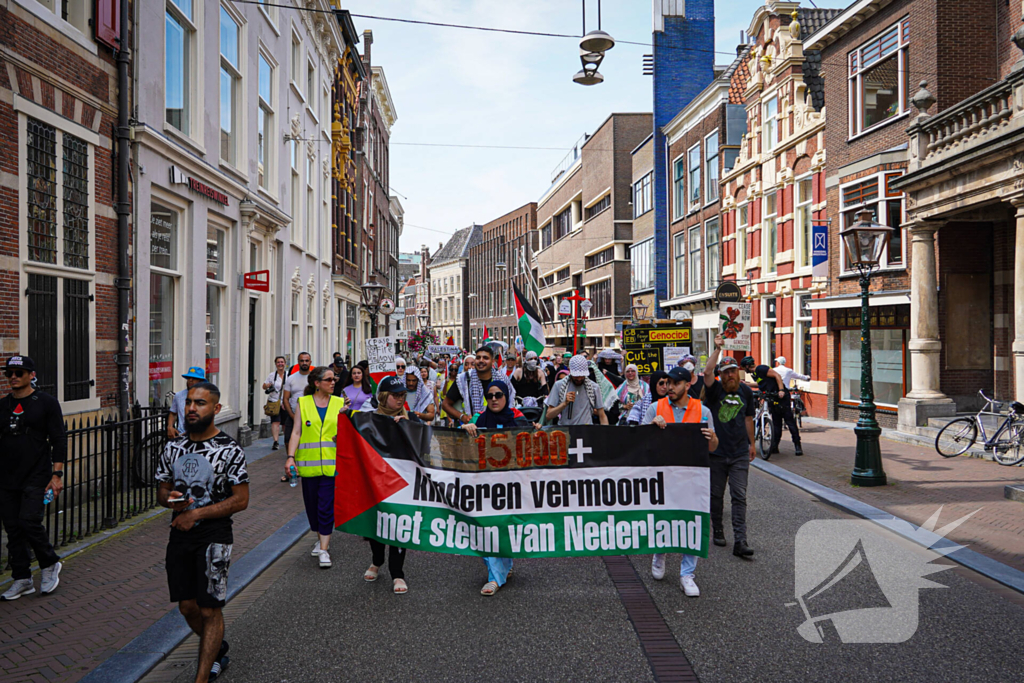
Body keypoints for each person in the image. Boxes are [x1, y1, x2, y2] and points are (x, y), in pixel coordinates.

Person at [156, 382, 249, 683]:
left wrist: (197, 513)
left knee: (210, 609)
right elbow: (162, 490)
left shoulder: (230, 449)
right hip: (180, 532)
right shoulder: (173, 447)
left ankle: (202, 677)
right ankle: (217, 644)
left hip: (215, 534)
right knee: (187, 607)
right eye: (189, 403)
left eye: (200, 403)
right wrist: (171, 500)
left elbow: (241, 499)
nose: (192, 408)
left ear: (216, 409)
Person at [643, 366, 717, 596]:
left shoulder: (703, 411)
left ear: (688, 384)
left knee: (692, 521)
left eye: (675, 383)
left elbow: (712, 447)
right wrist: (651, 428)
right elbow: (640, 442)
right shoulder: (656, 407)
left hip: (691, 475)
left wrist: (713, 438)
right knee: (662, 516)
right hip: (662, 473)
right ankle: (659, 553)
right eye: (666, 383)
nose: (669, 388)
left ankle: (687, 574)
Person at [0, 356, 67, 601]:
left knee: (29, 521)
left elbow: (59, 439)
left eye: (19, 372)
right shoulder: (3, 405)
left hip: (37, 474)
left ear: (32, 375)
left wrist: (57, 474)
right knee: (13, 528)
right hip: (7, 477)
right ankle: (22, 579)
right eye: (9, 373)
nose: (13, 377)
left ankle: (49, 564)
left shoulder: (46, 403)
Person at [462, 379, 530, 596]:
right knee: (484, 527)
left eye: (498, 395)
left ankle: (499, 573)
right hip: (483, 483)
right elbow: (456, 437)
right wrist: (465, 427)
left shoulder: (518, 418)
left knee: (502, 526)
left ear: (506, 396)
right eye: (489, 395)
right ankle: (497, 574)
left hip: (510, 484)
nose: (493, 399)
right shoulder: (479, 418)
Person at [285, 366, 344, 569]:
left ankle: (324, 550)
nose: (333, 382)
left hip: (332, 465)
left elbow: (346, 432)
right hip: (308, 465)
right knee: (312, 507)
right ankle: (321, 538)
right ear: (317, 383)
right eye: (328, 379)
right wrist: (290, 457)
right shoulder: (303, 403)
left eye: (334, 379)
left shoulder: (340, 403)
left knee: (325, 506)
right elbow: (296, 433)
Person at [705, 337, 756, 558]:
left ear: (738, 372)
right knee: (716, 495)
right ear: (721, 374)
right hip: (716, 453)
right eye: (725, 372)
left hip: (739, 454)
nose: (730, 375)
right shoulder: (716, 390)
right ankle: (717, 529)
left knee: (739, 496)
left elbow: (748, 419)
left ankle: (740, 540)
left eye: (733, 371)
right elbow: (706, 374)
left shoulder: (746, 392)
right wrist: (717, 349)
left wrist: (752, 444)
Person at [367, 375, 413, 594]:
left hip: (401, 484)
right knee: (376, 526)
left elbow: (424, 446)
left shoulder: (410, 418)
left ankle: (398, 574)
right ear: (384, 397)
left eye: (403, 395)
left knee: (398, 527)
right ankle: (377, 560)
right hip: (376, 483)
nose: (400, 399)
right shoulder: (368, 420)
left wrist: (408, 429)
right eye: (395, 395)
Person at [742, 356, 802, 456]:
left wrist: (781, 390)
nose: (744, 370)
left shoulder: (761, 368)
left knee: (790, 422)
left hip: (781, 397)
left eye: (744, 367)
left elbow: (777, 375)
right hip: (772, 398)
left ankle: (797, 445)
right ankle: (774, 446)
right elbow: (761, 384)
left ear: (747, 366)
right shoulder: (756, 374)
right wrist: (746, 384)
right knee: (776, 423)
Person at [442, 347, 516, 425]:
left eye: (485, 358)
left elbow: (510, 405)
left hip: (499, 428)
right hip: (472, 430)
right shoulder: (463, 379)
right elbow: (445, 404)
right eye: (478, 358)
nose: (481, 360)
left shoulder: (503, 379)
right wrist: (462, 417)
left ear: (492, 361)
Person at [545, 355, 608, 426]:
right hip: (566, 431)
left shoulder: (594, 387)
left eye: (582, 376)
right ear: (570, 371)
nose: (579, 379)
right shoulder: (559, 385)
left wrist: (605, 434)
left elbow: (602, 415)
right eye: (576, 376)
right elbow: (549, 415)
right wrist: (564, 404)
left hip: (586, 431)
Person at [280, 352, 312, 449]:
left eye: (306, 361)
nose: (304, 363)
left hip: (310, 415)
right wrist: (292, 415)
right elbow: (286, 398)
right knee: (288, 441)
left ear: (310, 362)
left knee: (307, 441)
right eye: (302, 361)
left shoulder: (314, 378)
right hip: (293, 414)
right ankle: (291, 459)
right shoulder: (291, 378)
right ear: (298, 362)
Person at [168, 367, 207, 439]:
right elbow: (173, 413)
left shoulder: (206, 396)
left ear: (201, 381)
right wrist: (170, 427)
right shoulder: (179, 395)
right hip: (181, 436)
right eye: (188, 378)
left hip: (199, 436)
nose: (190, 380)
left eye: (194, 378)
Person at [262, 357, 287, 452]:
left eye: (282, 362)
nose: (280, 364)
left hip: (285, 402)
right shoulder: (272, 375)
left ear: (285, 363)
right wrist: (267, 385)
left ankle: (286, 440)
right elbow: (264, 386)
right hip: (274, 402)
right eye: (278, 362)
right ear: (275, 364)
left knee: (285, 423)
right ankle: (275, 441)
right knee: (275, 422)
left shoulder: (288, 375)